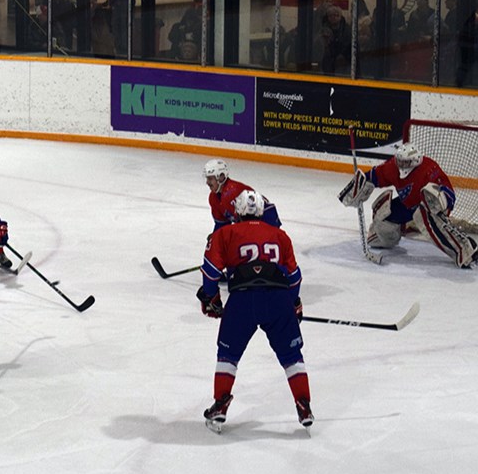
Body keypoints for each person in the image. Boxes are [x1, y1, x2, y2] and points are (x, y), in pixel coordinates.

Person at [198, 189, 311, 433]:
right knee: (291, 356)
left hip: (243, 301)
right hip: (278, 299)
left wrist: (211, 298)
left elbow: (210, 273)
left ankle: (220, 405)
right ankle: (304, 404)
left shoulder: (225, 233)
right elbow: (294, 277)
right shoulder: (280, 236)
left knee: (228, 355)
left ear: (237, 211)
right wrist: (294, 304)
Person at [338, 143, 478, 268]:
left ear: (415, 161)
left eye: (405, 162)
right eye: (400, 161)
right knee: (383, 214)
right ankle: (396, 231)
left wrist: (441, 200)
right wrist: (360, 185)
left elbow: (448, 194)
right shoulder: (393, 166)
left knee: (422, 214)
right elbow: (375, 175)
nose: (401, 165)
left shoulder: (428, 169)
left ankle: (464, 249)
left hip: (429, 209)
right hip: (408, 205)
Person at [203, 159, 281, 232]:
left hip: (267, 218)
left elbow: (247, 222)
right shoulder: (213, 198)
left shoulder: (233, 193)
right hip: (251, 224)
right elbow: (221, 226)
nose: (207, 182)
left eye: (210, 179)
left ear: (221, 177)